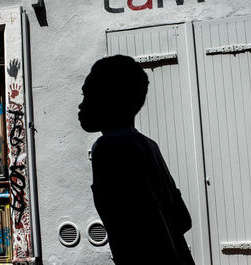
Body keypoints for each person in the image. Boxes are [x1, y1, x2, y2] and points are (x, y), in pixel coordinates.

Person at [78, 55, 195, 265]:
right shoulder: (149, 145)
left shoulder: (108, 148)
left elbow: (133, 229)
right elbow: (183, 219)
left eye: (88, 95)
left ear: (109, 99)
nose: (80, 105)